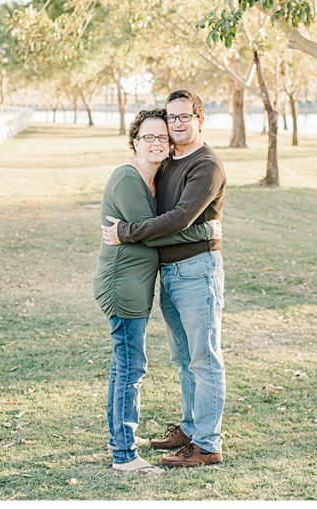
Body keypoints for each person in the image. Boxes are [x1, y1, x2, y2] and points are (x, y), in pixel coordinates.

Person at [102, 90, 227, 469]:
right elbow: (168, 219)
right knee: (185, 358)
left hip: (196, 272)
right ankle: (189, 429)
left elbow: (178, 219)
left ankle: (206, 444)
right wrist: (204, 232)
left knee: (205, 359)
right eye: (172, 117)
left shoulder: (206, 166)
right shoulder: (171, 162)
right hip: (170, 273)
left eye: (184, 116)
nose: (177, 123)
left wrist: (128, 232)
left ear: (200, 120)